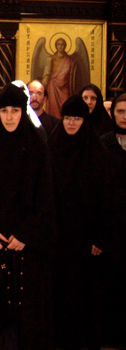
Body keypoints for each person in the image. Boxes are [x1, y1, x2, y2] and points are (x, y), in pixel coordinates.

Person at [0, 83, 55, 350]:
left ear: (22, 112)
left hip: (25, 245)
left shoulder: (37, 147)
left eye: (15, 111)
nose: (9, 117)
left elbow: (45, 197)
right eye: (4, 111)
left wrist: (26, 234)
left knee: (26, 314)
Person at [49, 95, 113, 350]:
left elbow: (106, 198)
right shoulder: (53, 146)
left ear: (85, 121)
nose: (71, 123)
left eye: (77, 118)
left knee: (83, 290)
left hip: (86, 237)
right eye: (67, 118)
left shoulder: (97, 152)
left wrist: (100, 236)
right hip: (57, 234)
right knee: (58, 289)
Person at [100, 93, 126, 348]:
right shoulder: (104, 144)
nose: (125, 117)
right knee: (112, 280)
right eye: (120, 111)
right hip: (111, 224)